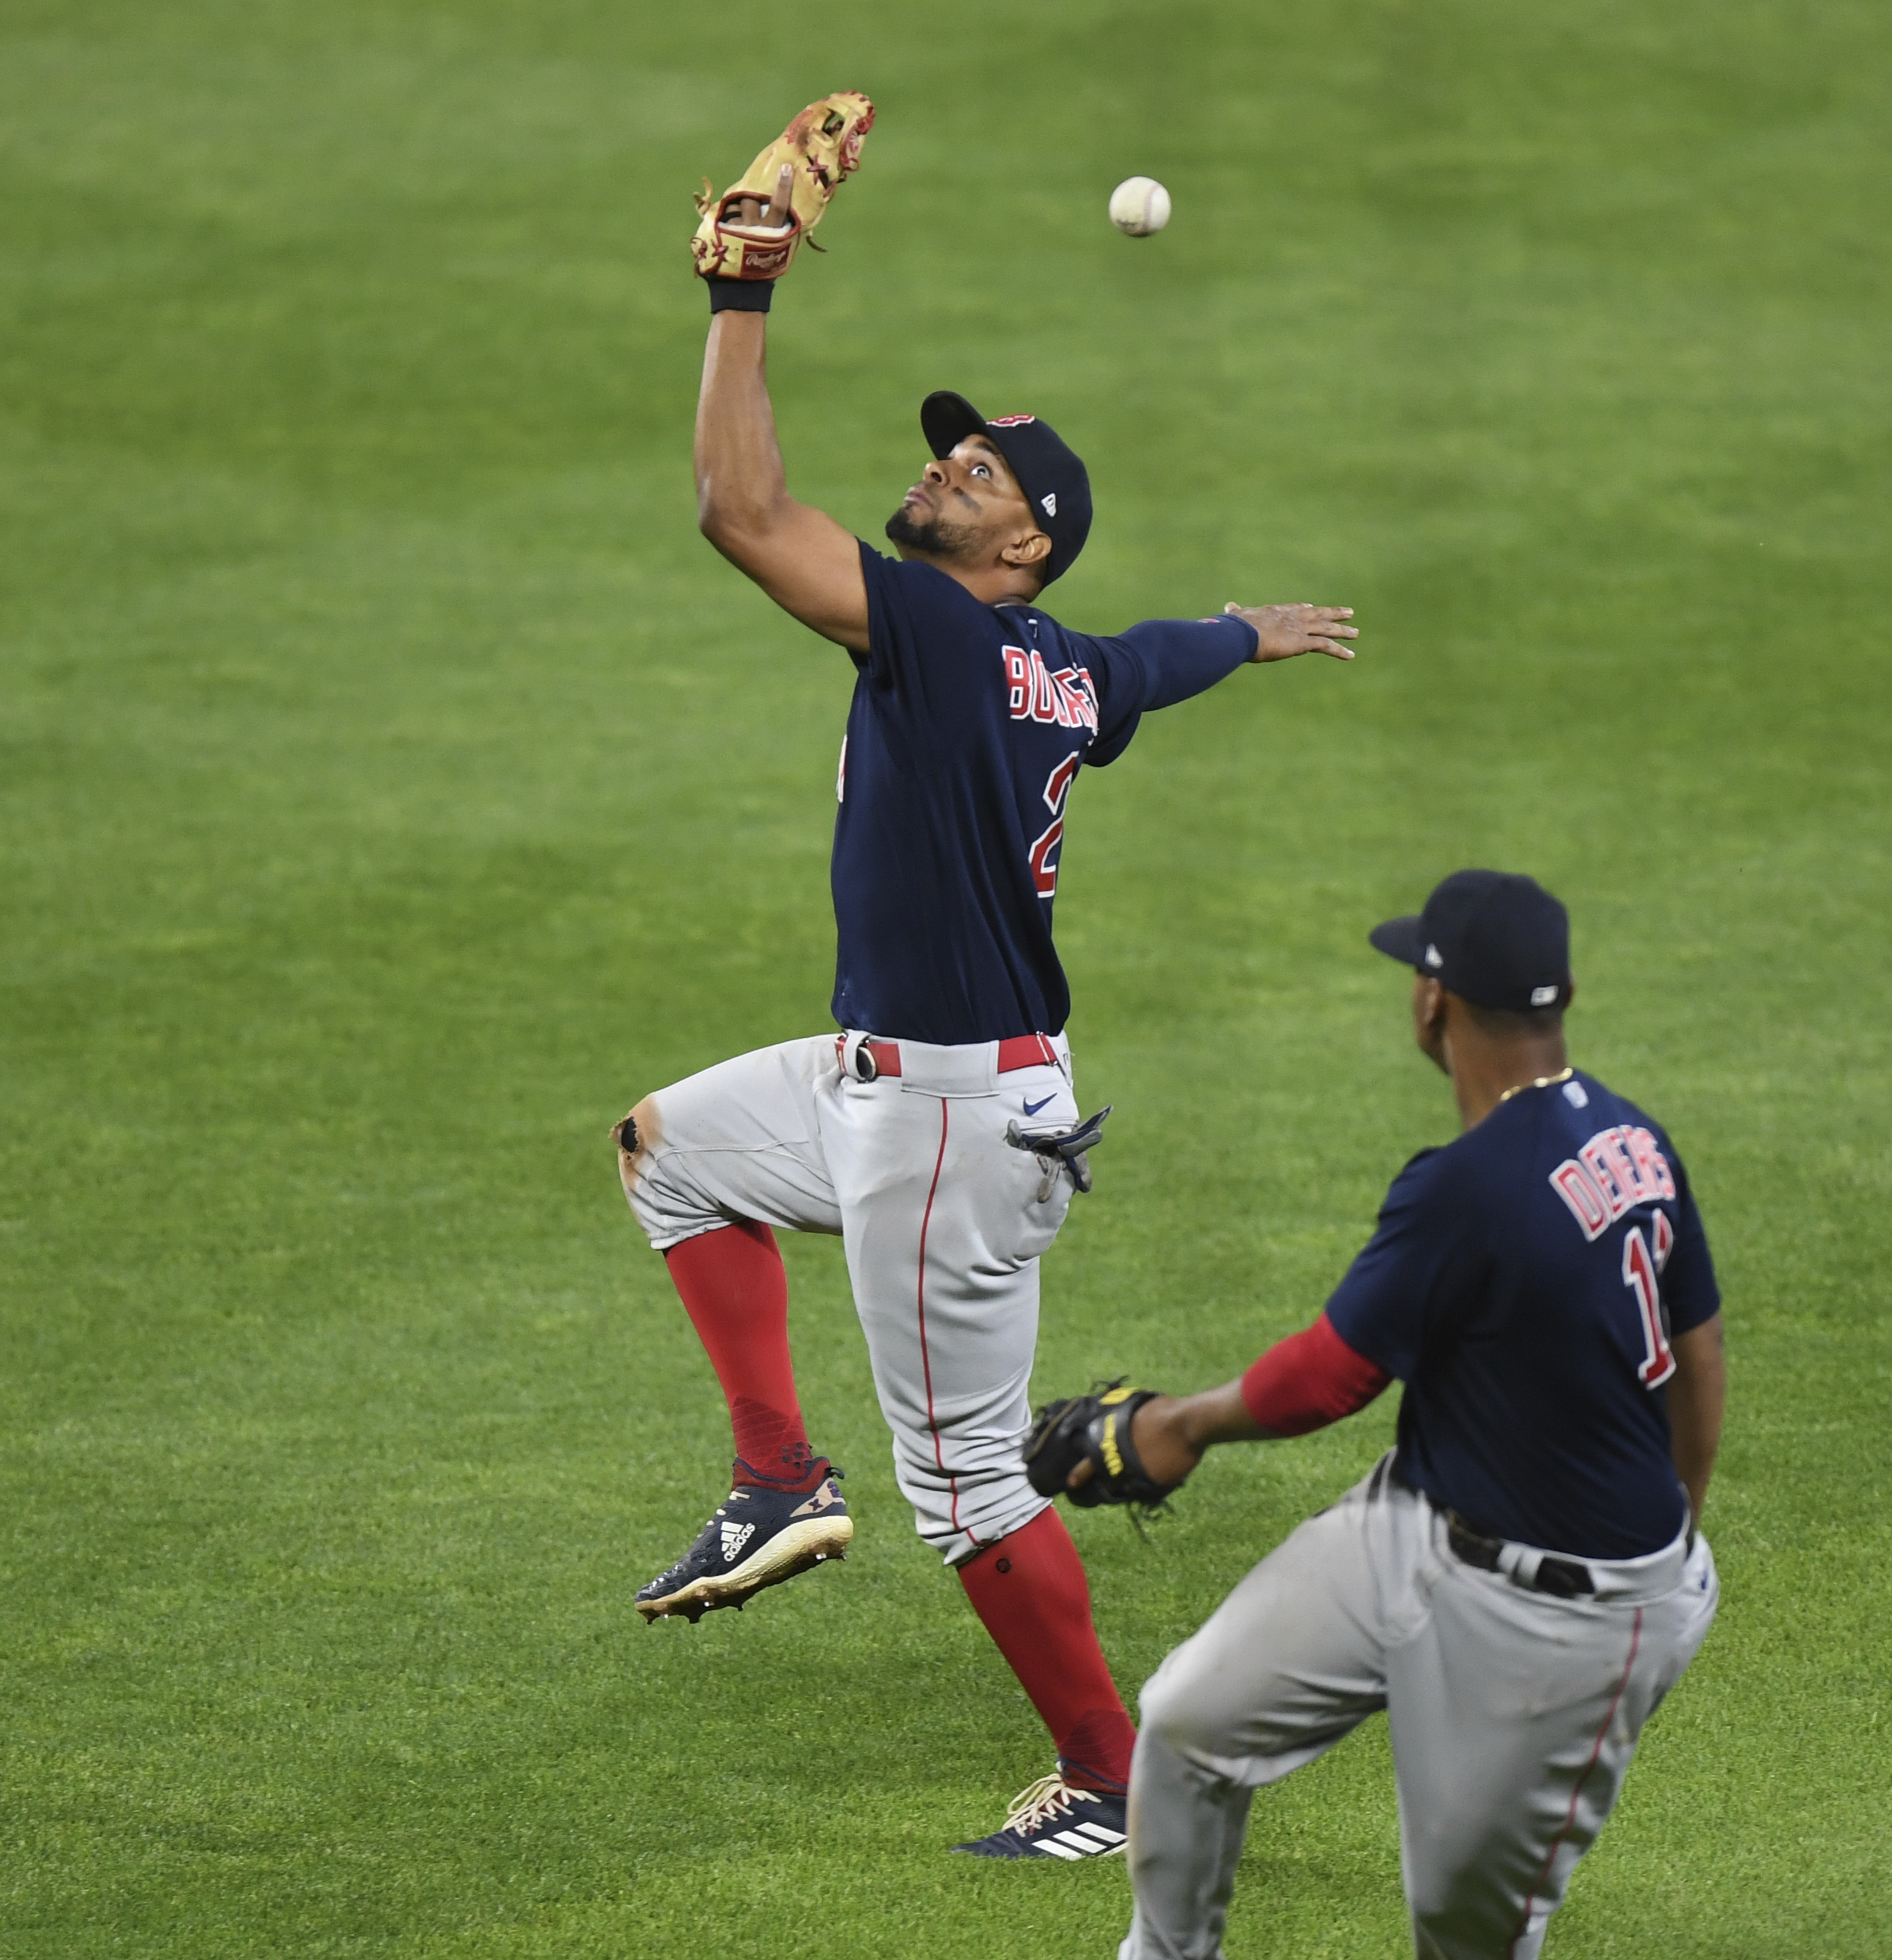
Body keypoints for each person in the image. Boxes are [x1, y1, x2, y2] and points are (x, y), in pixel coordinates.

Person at [613, 141, 1360, 1859]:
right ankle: (779, 1482)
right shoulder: (1067, 666)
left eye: (972, 472)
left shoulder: (945, 635)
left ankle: (1120, 1779)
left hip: (949, 1122)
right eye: (945, 454)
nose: (940, 474)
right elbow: (1152, 656)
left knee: (963, 1486)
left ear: (1021, 539)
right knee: (672, 1149)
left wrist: (742, 294)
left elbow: (739, 512)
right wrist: (1244, 630)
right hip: (917, 1080)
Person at [1070, 870, 1727, 1954]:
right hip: (1411, 1530)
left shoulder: (1470, 1183)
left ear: (1433, 1003)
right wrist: (1678, 1516)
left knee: (1462, 1935)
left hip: (1558, 1625)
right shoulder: (1633, 1138)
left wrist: (1170, 1426)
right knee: (1190, 1721)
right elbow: (1699, 1359)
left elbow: (1325, 1378)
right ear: (1558, 999)